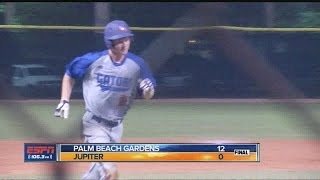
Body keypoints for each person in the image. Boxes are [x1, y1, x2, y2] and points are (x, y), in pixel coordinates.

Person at [54, 20, 156, 180]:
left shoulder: (137, 64)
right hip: (93, 125)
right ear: (109, 42)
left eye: (127, 39)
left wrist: (148, 89)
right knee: (110, 171)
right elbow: (69, 74)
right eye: (119, 40)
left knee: (95, 173)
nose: (124, 44)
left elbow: (147, 95)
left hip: (117, 127)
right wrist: (64, 100)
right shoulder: (92, 60)